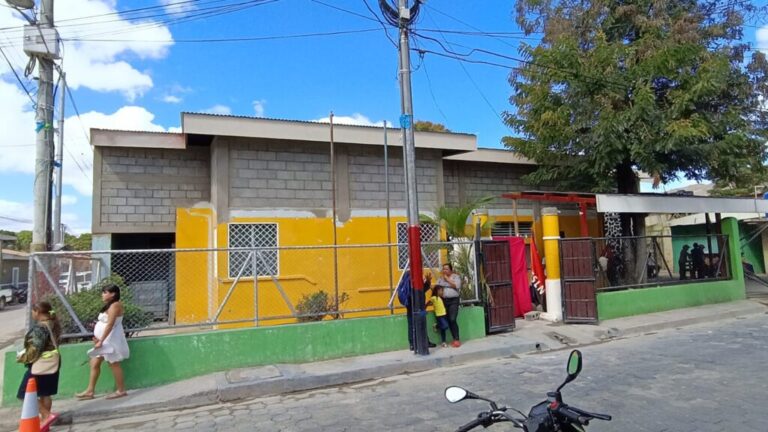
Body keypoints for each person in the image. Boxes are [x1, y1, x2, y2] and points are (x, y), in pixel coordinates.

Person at [75, 283, 130, 400]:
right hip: (102, 340)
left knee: (113, 363)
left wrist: (101, 340)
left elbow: (110, 324)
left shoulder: (115, 305)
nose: (103, 295)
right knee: (94, 363)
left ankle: (121, 390)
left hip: (110, 340)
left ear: (113, 294)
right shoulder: (108, 306)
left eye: (105, 292)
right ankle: (90, 391)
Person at [16, 301, 61, 428]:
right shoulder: (53, 323)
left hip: (40, 365)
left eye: (33, 311)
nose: (32, 314)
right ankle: (45, 423)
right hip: (53, 362)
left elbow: (35, 349)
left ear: (37, 312)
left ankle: (46, 415)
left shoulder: (40, 328)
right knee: (45, 393)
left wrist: (22, 357)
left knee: (24, 393)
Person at [436, 263, 462, 347]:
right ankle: (446, 340)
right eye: (444, 269)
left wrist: (447, 280)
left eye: (446, 269)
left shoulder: (455, 277)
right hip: (443, 301)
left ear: (451, 270)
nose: (445, 270)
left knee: (452, 319)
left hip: (453, 301)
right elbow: (437, 287)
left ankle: (457, 339)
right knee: (446, 319)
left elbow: (457, 286)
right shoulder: (440, 278)